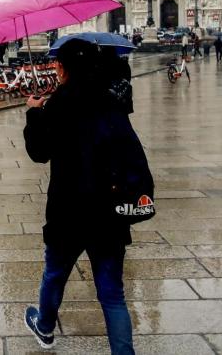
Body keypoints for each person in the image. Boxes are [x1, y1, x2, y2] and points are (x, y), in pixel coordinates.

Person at [22, 39, 137, 354]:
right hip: (109, 209)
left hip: (68, 209)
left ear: (62, 67)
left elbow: (38, 153)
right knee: (113, 295)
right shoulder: (113, 99)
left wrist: (34, 113)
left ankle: (45, 327)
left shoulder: (58, 103)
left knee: (55, 274)